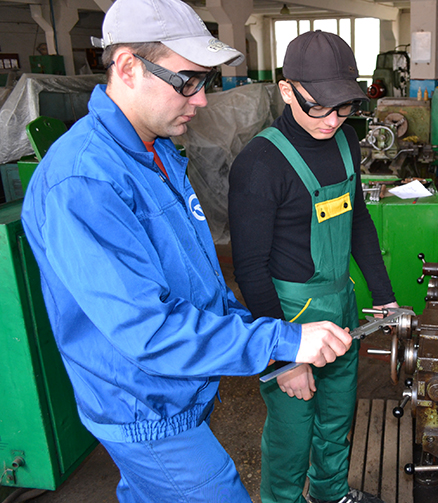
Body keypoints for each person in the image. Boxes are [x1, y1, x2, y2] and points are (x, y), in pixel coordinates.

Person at [21, 1, 354, 502]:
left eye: (206, 81)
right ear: (128, 67)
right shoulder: (85, 180)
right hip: (146, 408)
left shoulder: (155, 152)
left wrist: (275, 349)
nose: (200, 100)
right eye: (188, 81)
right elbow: (148, 330)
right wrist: (281, 342)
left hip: (181, 388)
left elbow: (199, 286)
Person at [228, 31, 398, 503]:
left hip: (340, 303)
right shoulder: (260, 163)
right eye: (318, 106)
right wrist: (284, 356)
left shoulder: (347, 141)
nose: (331, 120)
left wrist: (383, 296)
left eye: (343, 107)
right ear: (287, 90)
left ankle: (330, 493)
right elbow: (250, 268)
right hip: (288, 314)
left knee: (337, 418)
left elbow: (358, 220)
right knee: (292, 433)